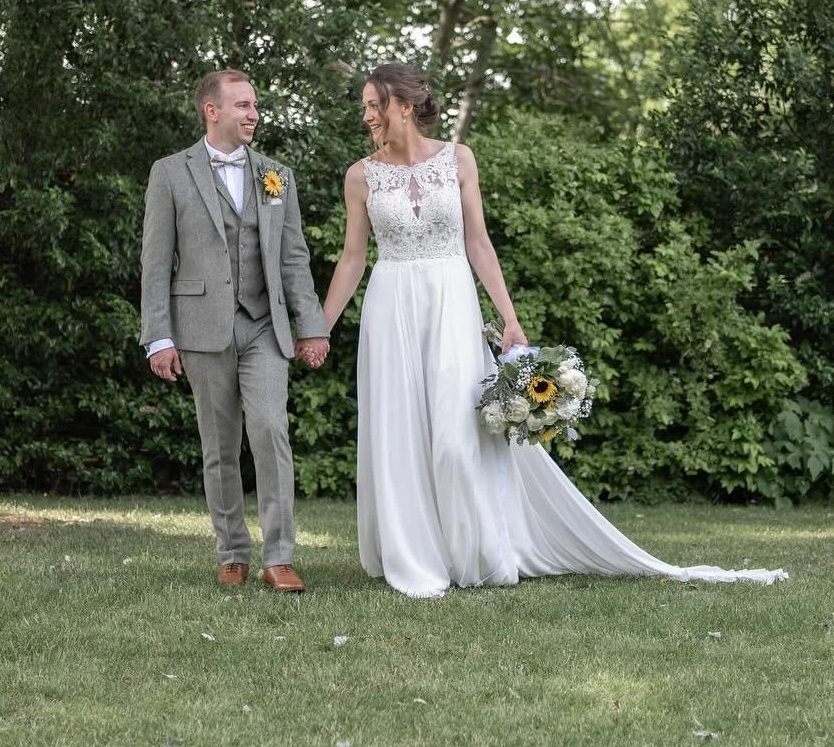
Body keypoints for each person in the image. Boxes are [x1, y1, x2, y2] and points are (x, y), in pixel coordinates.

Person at [320, 63, 788, 598]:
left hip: (451, 305)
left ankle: (471, 553)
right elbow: (353, 258)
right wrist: (321, 328)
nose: (366, 115)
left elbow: (479, 243)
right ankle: (415, 555)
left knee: (456, 437)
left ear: (404, 105)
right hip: (392, 307)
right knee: (401, 433)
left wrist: (510, 317)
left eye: (373, 105)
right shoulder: (360, 176)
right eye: (364, 106)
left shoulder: (458, 160)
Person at [140, 69, 330, 593]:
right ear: (212, 110)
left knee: (271, 431)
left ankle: (280, 556)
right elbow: (155, 261)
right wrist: (159, 336)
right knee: (219, 445)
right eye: (243, 105)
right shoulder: (170, 173)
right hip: (201, 328)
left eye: (255, 106)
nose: (253, 114)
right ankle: (231, 552)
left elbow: (294, 258)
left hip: (264, 327)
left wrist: (311, 326)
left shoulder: (277, 175)